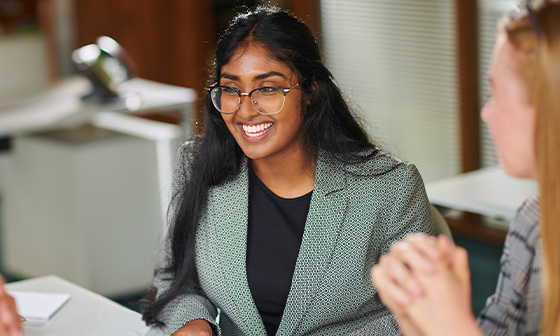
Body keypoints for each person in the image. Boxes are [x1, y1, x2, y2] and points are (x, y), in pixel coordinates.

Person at [141, 5, 435, 336]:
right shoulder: (198, 165)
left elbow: (426, 309)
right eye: (231, 89)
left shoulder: (389, 187)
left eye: (267, 88)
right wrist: (193, 322)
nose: (245, 110)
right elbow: (175, 279)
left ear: (311, 92)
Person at [371, 1, 560, 335]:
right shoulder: (534, 222)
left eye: (497, 94)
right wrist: (416, 316)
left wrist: (451, 325)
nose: (486, 113)